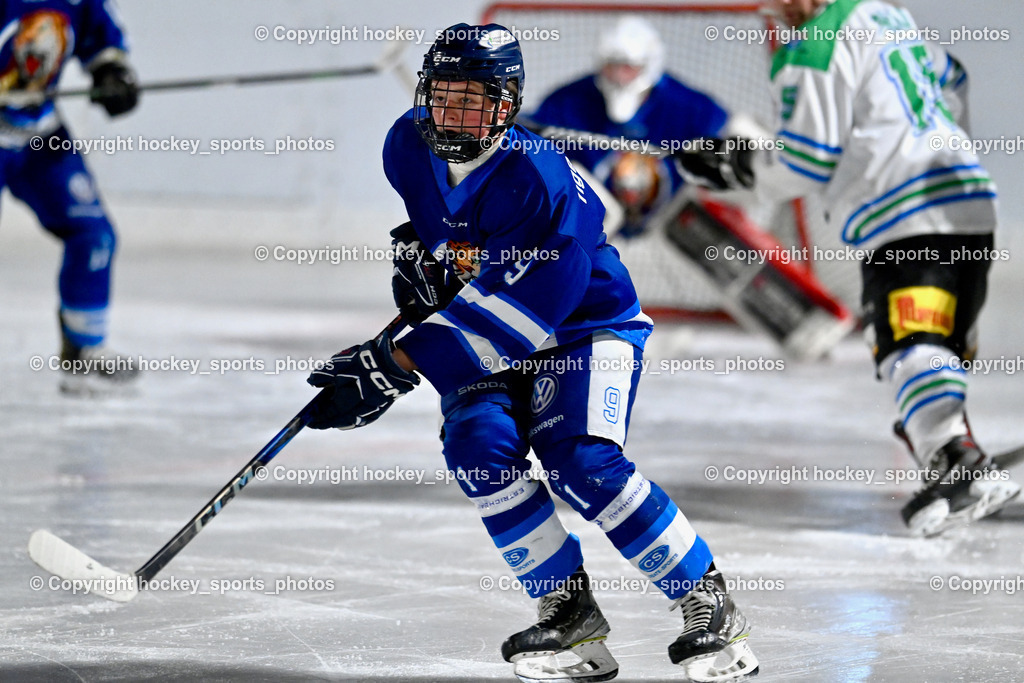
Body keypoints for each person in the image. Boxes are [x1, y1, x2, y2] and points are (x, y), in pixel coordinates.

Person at [305, 23, 759, 683]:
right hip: (488, 318)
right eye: (442, 96)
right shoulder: (405, 144)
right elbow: (447, 236)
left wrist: (394, 364)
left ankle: (707, 600)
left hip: (583, 328)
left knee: (582, 461)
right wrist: (424, 265)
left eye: (473, 101)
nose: (452, 115)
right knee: (477, 448)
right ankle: (569, 613)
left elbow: (518, 319)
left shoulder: (539, 181)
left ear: (507, 105)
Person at [673, 0, 1020, 536]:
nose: (775, 12)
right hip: (967, 204)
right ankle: (951, 453)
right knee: (938, 345)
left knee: (910, 343)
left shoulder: (815, 42)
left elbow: (807, 159)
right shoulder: (887, 16)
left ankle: (958, 463)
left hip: (906, 217)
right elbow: (953, 76)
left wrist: (738, 167)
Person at [0, 0, 140, 394]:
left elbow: (102, 40)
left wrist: (112, 74)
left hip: (41, 133)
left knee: (94, 235)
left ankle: (84, 349)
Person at [527, 15, 730, 237]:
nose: (619, 77)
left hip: (669, 224)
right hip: (590, 229)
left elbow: (729, 137)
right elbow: (530, 143)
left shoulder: (689, 107)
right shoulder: (567, 103)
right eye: (612, 66)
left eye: (628, 68)